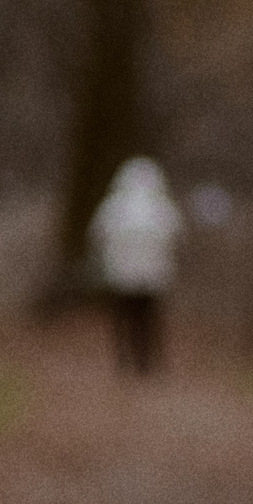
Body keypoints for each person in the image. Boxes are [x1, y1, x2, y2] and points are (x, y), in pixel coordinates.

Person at [89, 157, 183, 377]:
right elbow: (177, 237)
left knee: (123, 318)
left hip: (120, 276)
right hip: (153, 278)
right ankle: (147, 361)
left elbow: (97, 234)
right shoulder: (162, 208)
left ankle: (124, 360)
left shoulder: (113, 206)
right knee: (148, 318)